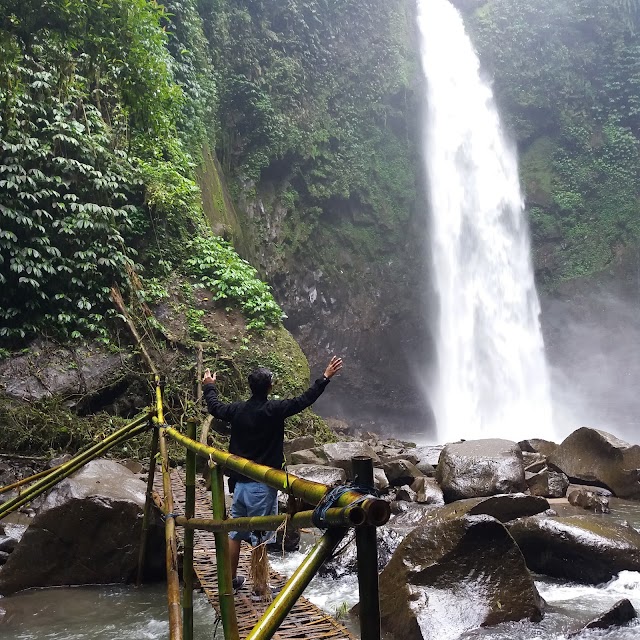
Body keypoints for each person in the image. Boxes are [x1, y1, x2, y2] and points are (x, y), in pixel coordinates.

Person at [201, 355, 343, 591]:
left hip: (238, 484)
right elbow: (303, 400)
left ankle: (230, 580)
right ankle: (260, 585)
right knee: (259, 535)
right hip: (262, 485)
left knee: (235, 531)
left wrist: (209, 386)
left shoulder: (237, 410)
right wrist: (325, 377)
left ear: (251, 387)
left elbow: (215, 408)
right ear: (269, 387)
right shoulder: (274, 409)